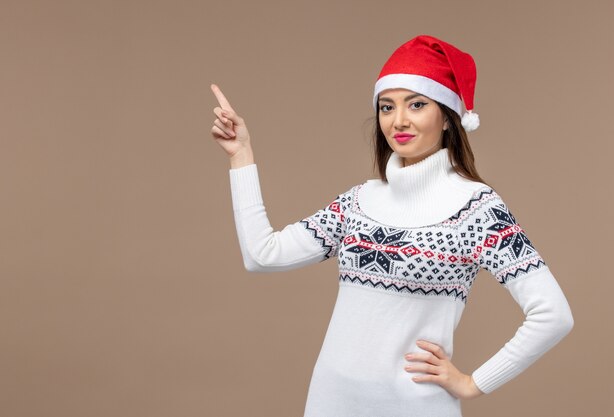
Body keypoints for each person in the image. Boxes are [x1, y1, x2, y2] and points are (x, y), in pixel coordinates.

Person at [211, 34, 574, 417]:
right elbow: (262, 255)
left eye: (417, 104)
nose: (398, 120)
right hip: (330, 402)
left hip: (414, 407)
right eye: (387, 107)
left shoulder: (478, 210)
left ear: (448, 118)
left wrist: (473, 383)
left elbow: (553, 315)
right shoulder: (358, 202)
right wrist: (242, 157)